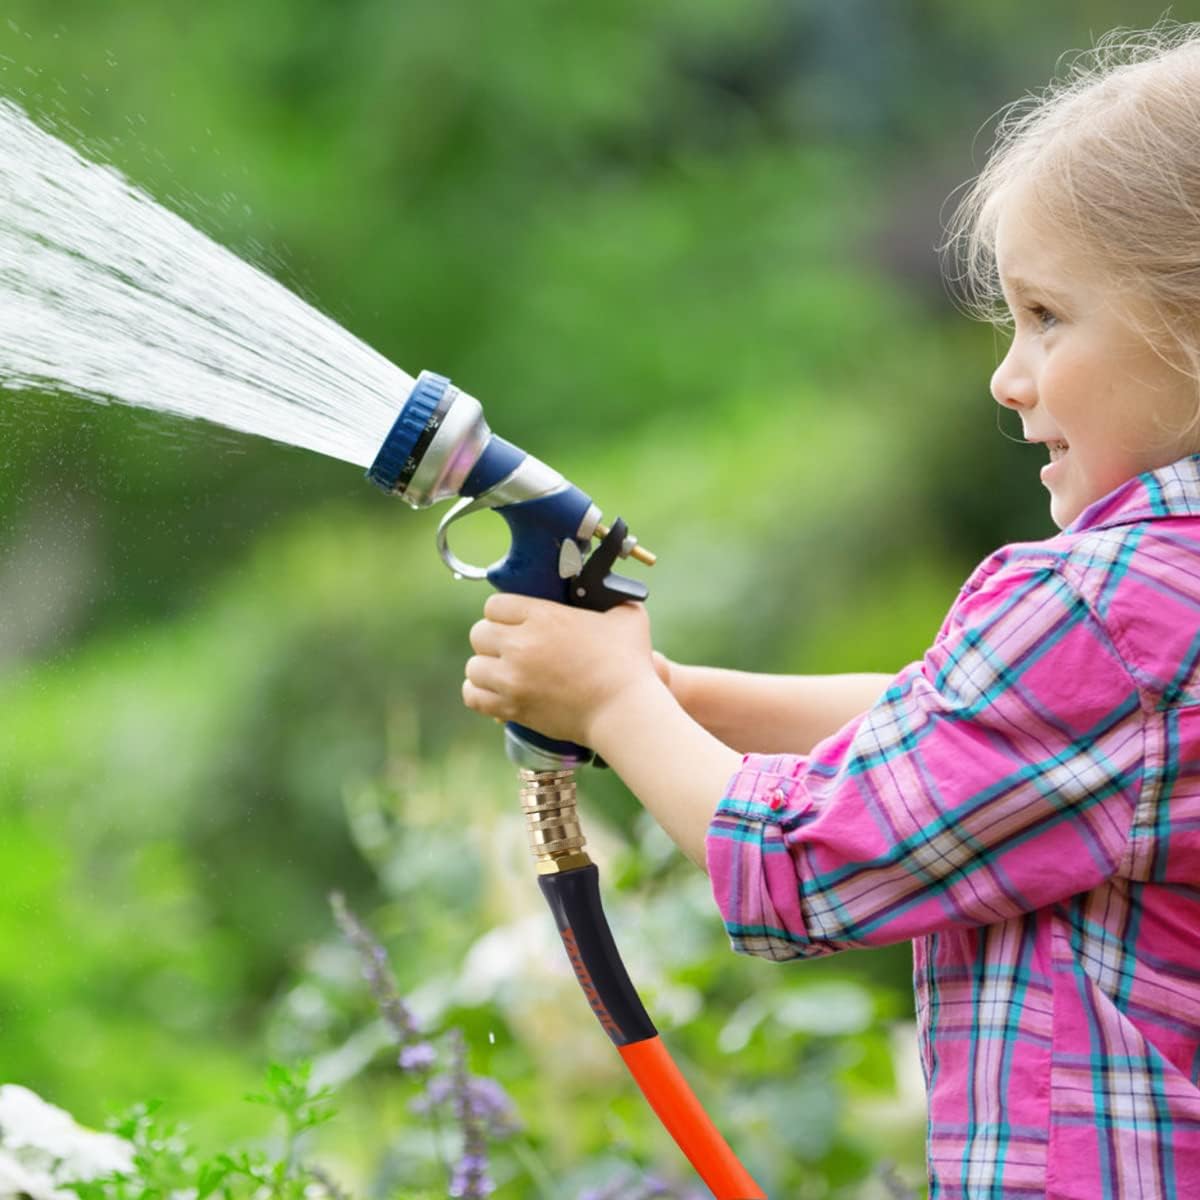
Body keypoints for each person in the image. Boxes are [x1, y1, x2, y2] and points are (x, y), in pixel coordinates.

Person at [461, 21, 1200, 1199]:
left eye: (1050, 317)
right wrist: (671, 698)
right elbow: (936, 733)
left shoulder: (1111, 608)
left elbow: (811, 861)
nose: (1009, 374)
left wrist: (606, 701)